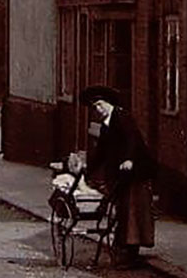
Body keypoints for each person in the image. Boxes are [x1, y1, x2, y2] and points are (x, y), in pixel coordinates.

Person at [80, 85, 156, 266]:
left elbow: (132, 139)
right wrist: (88, 169)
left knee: (133, 212)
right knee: (124, 211)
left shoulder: (122, 117)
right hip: (122, 175)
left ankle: (131, 251)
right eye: (95, 107)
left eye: (100, 105)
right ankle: (125, 247)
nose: (98, 110)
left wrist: (129, 159)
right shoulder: (106, 126)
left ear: (108, 103)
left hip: (136, 173)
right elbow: (101, 152)